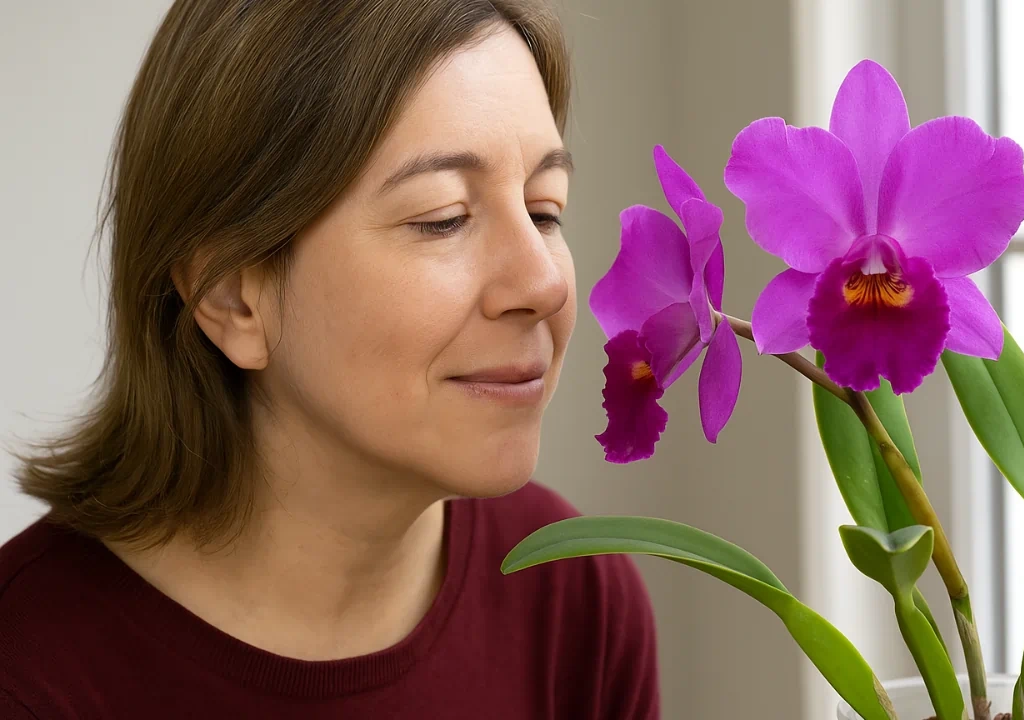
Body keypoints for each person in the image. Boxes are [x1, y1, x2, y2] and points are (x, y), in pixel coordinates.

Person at [0, 1, 660, 717]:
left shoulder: (575, 602)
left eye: (544, 210)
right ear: (232, 296)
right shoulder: (28, 676)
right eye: (443, 218)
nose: (544, 283)